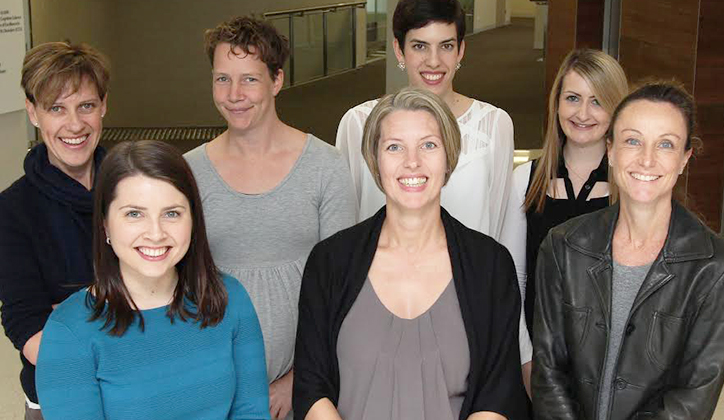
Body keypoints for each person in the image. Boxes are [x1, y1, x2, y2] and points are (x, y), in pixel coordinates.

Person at [294, 87, 528, 420]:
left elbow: (500, 393)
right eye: (394, 147)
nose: (412, 162)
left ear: (449, 155)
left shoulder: (490, 265)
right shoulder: (330, 261)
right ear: (374, 160)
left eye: (428, 145)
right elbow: (310, 385)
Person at [184, 16, 357, 420]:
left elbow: (343, 289)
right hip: (212, 387)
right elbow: (180, 286)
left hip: (303, 388)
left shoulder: (324, 167)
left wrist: (300, 379)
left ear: (277, 80)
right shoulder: (189, 172)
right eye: (222, 79)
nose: (234, 94)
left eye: (249, 79)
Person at [35, 140, 269, 419]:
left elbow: (251, 413)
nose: (155, 233)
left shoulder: (231, 298)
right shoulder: (68, 332)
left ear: (193, 220)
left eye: (172, 213)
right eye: (135, 214)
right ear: (105, 223)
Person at [532, 82, 724, 419]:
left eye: (666, 144)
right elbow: (548, 373)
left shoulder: (714, 267)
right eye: (633, 141)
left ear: (684, 159)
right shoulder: (563, 246)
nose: (647, 160)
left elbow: (693, 397)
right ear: (611, 150)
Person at [499, 49, 628, 393]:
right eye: (572, 98)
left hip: (609, 367)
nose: (582, 113)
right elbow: (515, 279)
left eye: (597, 101)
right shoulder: (525, 180)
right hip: (539, 359)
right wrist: (526, 360)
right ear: (557, 103)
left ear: (617, 110)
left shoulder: (631, 186)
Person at [336, 0, 514, 241]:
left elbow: (502, 230)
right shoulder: (358, 123)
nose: (433, 61)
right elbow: (344, 230)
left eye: (446, 46)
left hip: (469, 275)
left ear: (460, 50)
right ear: (399, 50)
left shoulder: (494, 125)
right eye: (420, 46)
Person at [0, 41, 109, 419]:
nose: (75, 124)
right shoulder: (13, 210)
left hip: (143, 393)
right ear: (33, 112)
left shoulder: (133, 186)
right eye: (56, 108)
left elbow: (172, 293)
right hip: (60, 399)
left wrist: (70, 316)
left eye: (86, 106)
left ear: (104, 106)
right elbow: (27, 326)